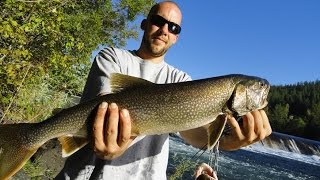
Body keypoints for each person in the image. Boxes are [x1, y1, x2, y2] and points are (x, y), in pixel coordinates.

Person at [56, 1, 272, 179]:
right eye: (159, 21)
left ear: (177, 37)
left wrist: (228, 142)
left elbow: (193, 133)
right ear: (144, 23)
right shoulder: (112, 57)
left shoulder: (181, 80)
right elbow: (102, 109)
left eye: (173, 27)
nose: (164, 30)